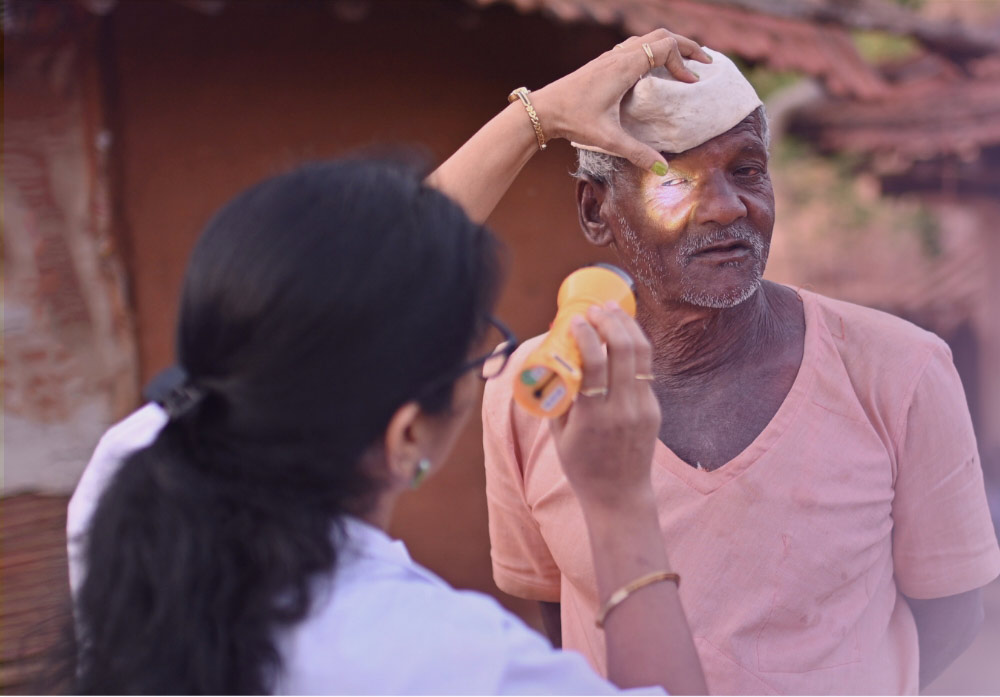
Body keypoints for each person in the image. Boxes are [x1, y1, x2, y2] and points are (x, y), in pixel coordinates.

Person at [64, 31, 714, 695]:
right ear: (406, 437)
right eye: (476, 344)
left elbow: (346, 287)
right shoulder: (445, 662)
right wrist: (618, 505)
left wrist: (537, 117)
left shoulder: (134, 471)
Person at [482, 47, 1000, 694]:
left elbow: (951, 616)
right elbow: (559, 613)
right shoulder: (534, 389)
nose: (727, 206)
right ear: (597, 210)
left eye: (747, 170)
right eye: (673, 179)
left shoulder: (901, 371)